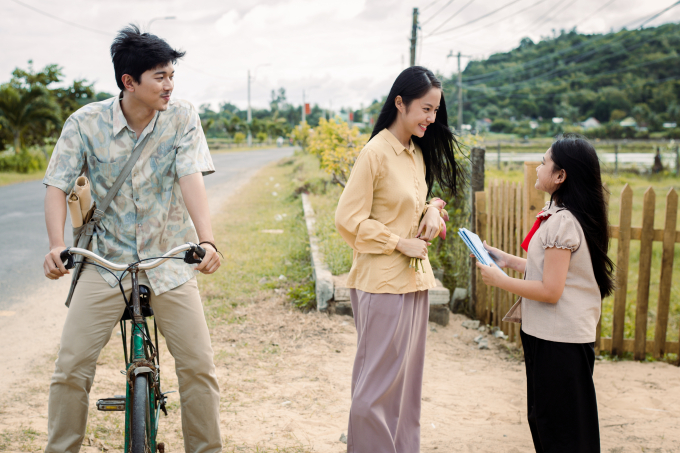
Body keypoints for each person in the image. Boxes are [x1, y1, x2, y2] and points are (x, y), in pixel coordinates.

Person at [42, 25, 222, 453]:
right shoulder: (85, 123)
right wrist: (55, 245)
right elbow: (56, 184)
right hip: (104, 262)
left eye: (171, 75)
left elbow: (190, 176)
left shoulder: (181, 117)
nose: (169, 85)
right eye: (159, 76)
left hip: (168, 261)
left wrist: (208, 240)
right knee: (70, 368)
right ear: (129, 82)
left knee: (199, 367)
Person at [335, 66, 463, 453]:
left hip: (414, 283)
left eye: (436, 111)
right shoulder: (375, 153)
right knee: (374, 391)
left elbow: (410, 203)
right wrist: (397, 243)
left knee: (405, 388)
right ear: (400, 102)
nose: (431, 118)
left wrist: (432, 210)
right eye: (426, 109)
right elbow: (347, 219)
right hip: (382, 283)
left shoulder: (415, 153)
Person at [476, 134, 614, 453]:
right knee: (547, 421)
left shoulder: (562, 223)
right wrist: (505, 260)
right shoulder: (561, 215)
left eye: (543, 162)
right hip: (549, 336)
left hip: (559, 342)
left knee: (561, 432)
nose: (538, 168)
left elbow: (550, 290)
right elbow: (550, 271)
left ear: (560, 176)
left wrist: (499, 279)